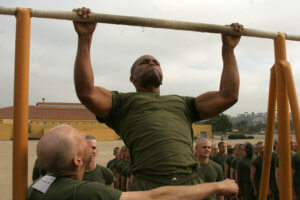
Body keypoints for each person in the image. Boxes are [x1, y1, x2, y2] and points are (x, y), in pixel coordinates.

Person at [73, 7, 243, 191]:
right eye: (145, 62)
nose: (152, 63)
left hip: (190, 182)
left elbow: (229, 95)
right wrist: (85, 38)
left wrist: (228, 49)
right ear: (132, 78)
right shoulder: (121, 103)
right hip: (150, 186)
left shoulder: (183, 104)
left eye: (156, 62)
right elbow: (86, 91)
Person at [27, 125, 239, 200]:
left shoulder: (35, 188)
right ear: (77, 160)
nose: (85, 135)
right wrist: (219, 185)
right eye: (79, 138)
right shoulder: (85, 192)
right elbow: (156, 196)